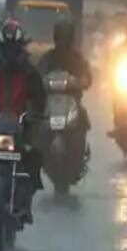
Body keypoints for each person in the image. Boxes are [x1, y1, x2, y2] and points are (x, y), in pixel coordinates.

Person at [0, 19, 46, 222]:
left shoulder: (30, 72)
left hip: (23, 125)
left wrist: (36, 114)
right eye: (8, 47)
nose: (11, 52)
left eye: (15, 47)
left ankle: (26, 202)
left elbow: (40, 98)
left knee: (34, 154)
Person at [38, 18, 93, 170]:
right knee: (35, 119)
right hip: (50, 102)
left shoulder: (77, 58)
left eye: (65, 37)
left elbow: (87, 75)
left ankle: (79, 153)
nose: (63, 41)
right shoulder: (48, 58)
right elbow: (36, 74)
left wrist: (82, 81)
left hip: (71, 102)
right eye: (60, 36)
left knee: (82, 117)